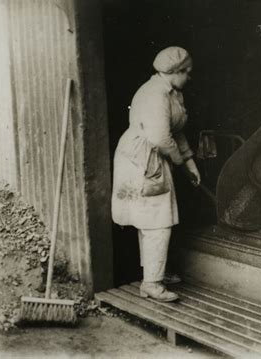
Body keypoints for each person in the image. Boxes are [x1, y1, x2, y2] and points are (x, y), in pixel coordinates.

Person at [111, 46, 200, 302]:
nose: (190, 78)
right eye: (188, 72)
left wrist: (189, 164)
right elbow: (161, 137)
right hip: (143, 160)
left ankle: (154, 273)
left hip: (153, 157)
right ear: (176, 71)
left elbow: (176, 130)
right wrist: (178, 161)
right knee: (157, 222)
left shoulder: (172, 92)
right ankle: (151, 283)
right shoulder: (155, 94)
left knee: (152, 220)